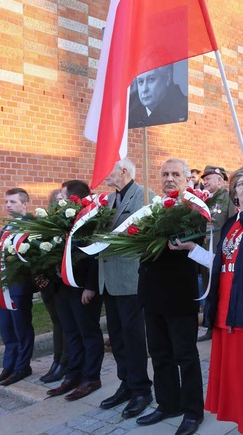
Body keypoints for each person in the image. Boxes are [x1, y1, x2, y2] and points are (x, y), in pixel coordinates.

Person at [169, 167, 243, 435]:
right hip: (226, 309)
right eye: (240, 183)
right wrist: (192, 250)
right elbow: (222, 264)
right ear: (233, 193)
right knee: (236, 378)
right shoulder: (233, 224)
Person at [135, 158, 204, 435]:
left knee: (185, 356)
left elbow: (197, 246)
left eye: (176, 174)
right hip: (152, 293)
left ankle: (192, 410)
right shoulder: (151, 208)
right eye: (164, 174)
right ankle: (167, 403)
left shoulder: (194, 209)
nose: (169, 179)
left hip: (179, 295)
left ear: (187, 179)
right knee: (160, 354)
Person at [97, 158, 154, 418]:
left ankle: (142, 388)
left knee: (132, 339)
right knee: (117, 338)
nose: (101, 173)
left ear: (123, 171)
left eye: (106, 169)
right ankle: (126, 383)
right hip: (109, 278)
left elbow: (148, 235)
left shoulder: (144, 196)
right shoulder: (108, 200)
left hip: (131, 279)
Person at [46, 180, 104, 401]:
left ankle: (91, 377)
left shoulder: (91, 219)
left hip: (83, 288)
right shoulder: (63, 219)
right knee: (71, 332)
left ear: (74, 198)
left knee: (88, 333)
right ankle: (73, 374)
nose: (59, 200)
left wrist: (90, 286)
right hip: (64, 287)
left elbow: (95, 255)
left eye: (63, 196)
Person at [0, 188, 37, 386]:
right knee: (7, 329)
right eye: (7, 202)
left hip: (18, 286)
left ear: (25, 204)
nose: (8, 205)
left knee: (21, 327)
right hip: (2, 286)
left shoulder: (31, 226)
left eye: (13, 202)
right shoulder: (6, 227)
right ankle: (8, 366)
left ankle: (22, 367)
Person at [198, 165, 237, 342]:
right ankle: (209, 326)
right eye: (204, 179)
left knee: (218, 289)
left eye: (208, 179)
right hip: (205, 251)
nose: (205, 182)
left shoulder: (227, 198)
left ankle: (220, 323)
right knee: (208, 288)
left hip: (219, 251)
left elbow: (231, 224)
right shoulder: (205, 199)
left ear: (220, 180)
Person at [38, 189, 68, 384]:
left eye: (63, 200)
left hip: (63, 283)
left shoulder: (67, 224)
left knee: (66, 324)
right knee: (57, 323)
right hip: (48, 283)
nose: (60, 203)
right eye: (56, 200)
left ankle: (65, 363)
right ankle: (57, 360)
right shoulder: (47, 225)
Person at [128, 64, 188, 128]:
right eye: (140, 82)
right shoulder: (130, 115)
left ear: (167, 78)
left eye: (151, 79)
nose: (144, 89)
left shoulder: (183, 109)